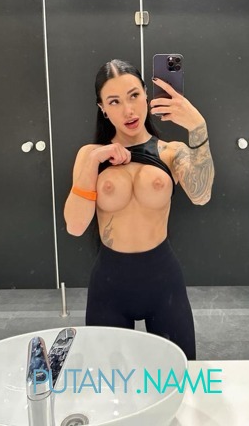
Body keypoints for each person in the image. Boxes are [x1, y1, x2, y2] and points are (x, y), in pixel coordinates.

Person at [64, 59, 214, 360]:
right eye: (114, 101)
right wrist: (94, 161)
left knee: (177, 376)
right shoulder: (89, 156)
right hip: (109, 286)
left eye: (134, 95)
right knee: (110, 382)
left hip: (163, 281)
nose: (128, 110)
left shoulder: (171, 152)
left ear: (146, 94)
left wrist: (198, 128)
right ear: (102, 108)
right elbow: (76, 226)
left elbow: (201, 196)